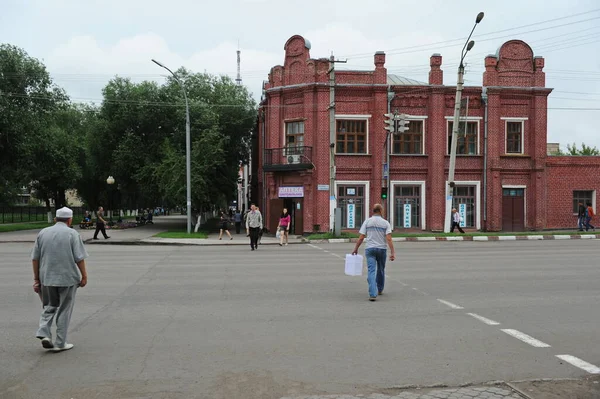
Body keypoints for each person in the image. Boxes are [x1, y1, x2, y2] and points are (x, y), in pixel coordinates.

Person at [31, 207, 89, 351]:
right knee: (64, 309)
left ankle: (44, 333)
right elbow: (79, 258)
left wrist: (36, 279)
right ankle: (60, 343)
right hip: (68, 278)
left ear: (56, 219)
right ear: (70, 220)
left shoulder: (43, 233)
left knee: (49, 306)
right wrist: (84, 276)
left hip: (47, 277)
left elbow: (35, 258)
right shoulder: (72, 234)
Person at [351, 204, 395, 301]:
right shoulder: (385, 223)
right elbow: (389, 239)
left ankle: (372, 293)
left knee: (371, 271)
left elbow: (361, 237)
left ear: (373, 211)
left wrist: (356, 248)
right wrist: (392, 252)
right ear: (380, 210)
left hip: (370, 249)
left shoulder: (367, 222)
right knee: (381, 269)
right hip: (381, 249)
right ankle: (379, 289)